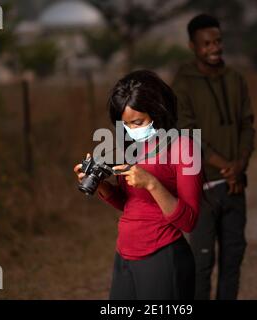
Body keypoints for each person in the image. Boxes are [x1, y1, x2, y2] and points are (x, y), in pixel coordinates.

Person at [74, 70, 203, 300]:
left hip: (163, 254)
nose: (132, 131)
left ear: (157, 111)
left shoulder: (184, 148)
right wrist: (100, 185)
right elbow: (130, 203)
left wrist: (152, 184)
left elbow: (189, 221)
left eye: (138, 122)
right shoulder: (131, 147)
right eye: (126, 125)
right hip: (125, 253)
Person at [172, 14, 255, 300]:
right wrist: (225, 167)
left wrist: (239, 166)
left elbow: (247, 125)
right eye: (206, 43)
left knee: (233, 259)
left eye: (218, 41)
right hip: (203, 187)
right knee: (201, 264)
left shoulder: (236, 79)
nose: (214, 47)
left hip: (235, 185)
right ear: (193, 46)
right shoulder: (182, 84)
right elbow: (186, 133)